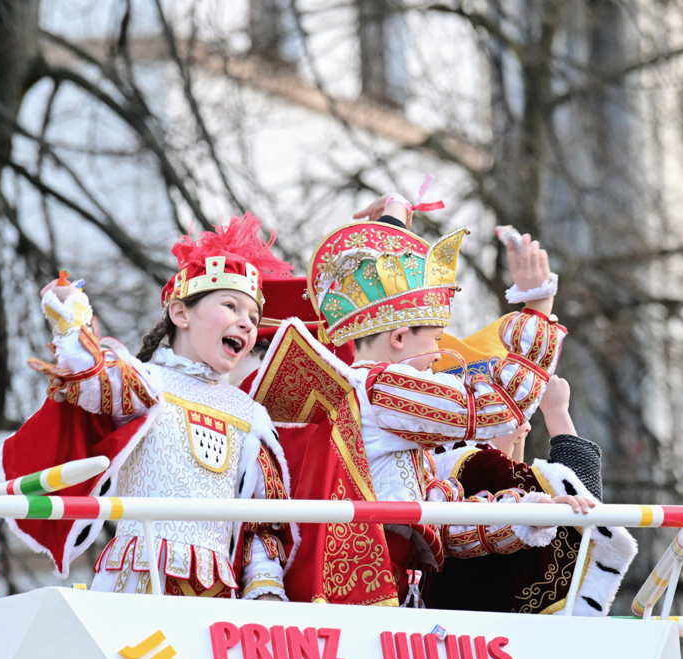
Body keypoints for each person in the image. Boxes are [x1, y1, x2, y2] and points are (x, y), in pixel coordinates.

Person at [248, 193, 592, 606]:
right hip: (367, 601)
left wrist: (530, 514)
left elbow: (442, 526)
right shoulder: (383, 389)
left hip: (391, 593)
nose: (440, 357)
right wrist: (537, 307)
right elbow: (495, 406)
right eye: (434, 341)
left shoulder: (391, 417)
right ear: (397, 339)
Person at [2, 214, 292, 599]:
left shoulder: (250, 415)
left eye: (253, 318)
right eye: (231, 306)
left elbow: (262, 524)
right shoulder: (148, 383)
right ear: (180, 313)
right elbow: (92, 378)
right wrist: (73, 320)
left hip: (219, 594)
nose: (246, 323)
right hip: (139, 577)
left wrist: (266, 589)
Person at [423, 375, 638, 616]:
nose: (525, 426)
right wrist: (557, 413)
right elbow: (583, 502)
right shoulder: (476, 463)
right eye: (517, 412)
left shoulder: (437, 463)